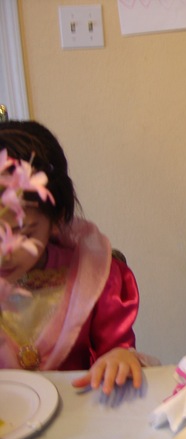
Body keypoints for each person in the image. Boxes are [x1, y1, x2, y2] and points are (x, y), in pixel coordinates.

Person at [0, 120, 156, 394]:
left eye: (23, 233)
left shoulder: (92, 275)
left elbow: (115, 352)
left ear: (57, 219)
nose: (5, 252)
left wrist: (119, 357)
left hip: (81, 408)